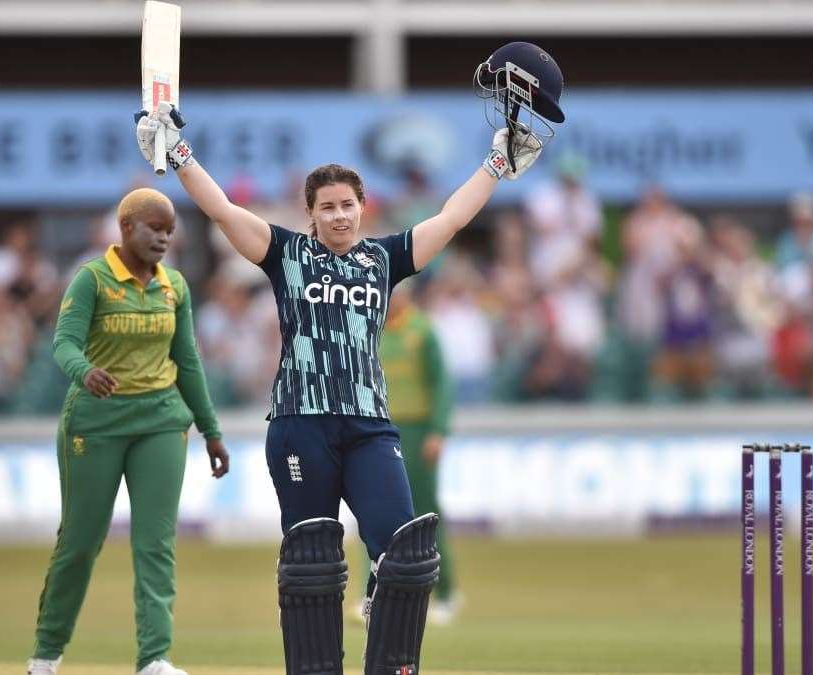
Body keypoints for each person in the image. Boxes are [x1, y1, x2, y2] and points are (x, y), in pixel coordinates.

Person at [135, 40, 557, 675]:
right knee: (313, 564)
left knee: (407, 554)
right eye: (327, 206)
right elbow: (222, 211)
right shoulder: (285, 254)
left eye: (348, 204)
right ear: (310, 215)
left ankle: (391, 667)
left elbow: (450, 220)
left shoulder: (382, 259)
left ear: (364, 209)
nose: (339, 214)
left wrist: (496, 165)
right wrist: (179, 152)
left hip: (368, 427)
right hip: (301, 424)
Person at [27, 188, 230, 675]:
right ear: (125, 228)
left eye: (169, 231)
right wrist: (84, 372)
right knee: (80, 542)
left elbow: (187, 361)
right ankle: (45, 656)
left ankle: (154, 658)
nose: (163, 239)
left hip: (161, 420)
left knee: (155, 544)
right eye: (153, 229)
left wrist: (211, 429)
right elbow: (64, 343)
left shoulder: (174, 287)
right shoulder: (92, 280)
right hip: (96, 422)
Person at [361, 283, 459, 624]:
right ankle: (372, 594)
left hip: (417, 432)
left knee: (424, 514)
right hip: (378, 431)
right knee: (373, 513)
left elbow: (442, 383)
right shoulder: (368, 329)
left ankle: (445, 593)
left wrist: (438, 430)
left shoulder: (422, 331)